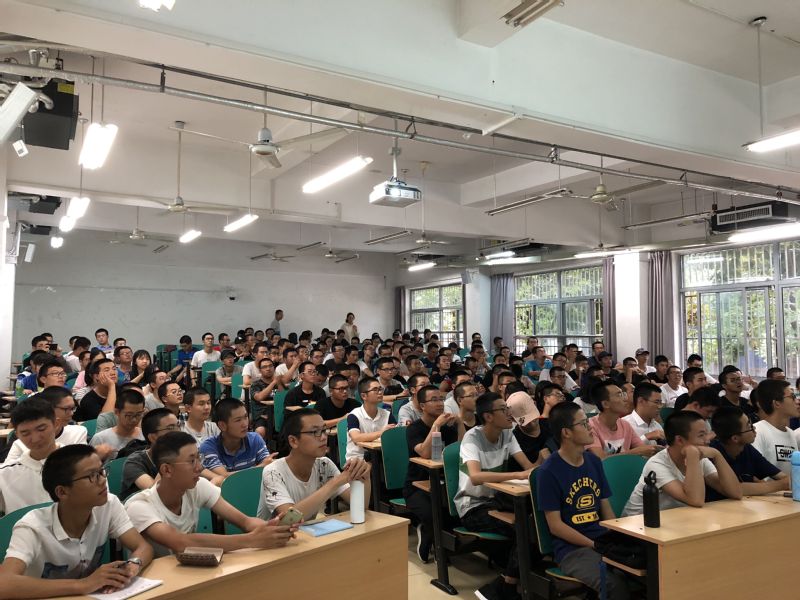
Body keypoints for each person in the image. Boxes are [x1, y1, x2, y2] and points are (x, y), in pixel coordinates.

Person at [0, 445, 153, 598]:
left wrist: (132, 565)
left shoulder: (109, 505)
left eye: (101, 471)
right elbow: (4, 584)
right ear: (62, 492)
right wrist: (83, 584)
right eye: (92, 476)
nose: (102, 480)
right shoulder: (32, 527)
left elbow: (143, 547)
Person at [125, 432, 296, 558]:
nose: (200, 467)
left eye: (198, 458)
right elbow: (181, 543)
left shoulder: (198, 486)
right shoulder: (139, 506)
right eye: (191, 461)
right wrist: (252, 540)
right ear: (167, 470)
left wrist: (272, 529)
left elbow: (245, 521)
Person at [536, 402, 628, 600]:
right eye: (584, 424)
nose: (590, 428)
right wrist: (594, 544)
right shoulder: (548, 471)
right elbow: (556, 526)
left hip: (601, 540)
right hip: (572, 550)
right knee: (614, 585)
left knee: (645, 571)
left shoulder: (594, 461)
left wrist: (615, 538)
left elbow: (605, 507)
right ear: (566, 433)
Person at [457, 392, 534, 600]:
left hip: (499, 501)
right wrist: (517, 475)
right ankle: (507, 586)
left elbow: (528, 467)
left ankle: (505, 583)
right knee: (526, 530)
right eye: (503, 409)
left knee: (537, 524)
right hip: (473, 507)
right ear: (488, 416)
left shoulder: (508, 434)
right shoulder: (472, 438)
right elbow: (475, 476)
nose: (509, 413)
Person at [257, 408, 371, 521]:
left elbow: (361, 506)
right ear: (293, 441)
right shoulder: (273, 472)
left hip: (307, 531)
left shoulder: (324, 465)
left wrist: (364, 476)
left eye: (324, 430)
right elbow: (290, 519)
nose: (323, 437)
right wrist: (335, 482)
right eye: (315, 432)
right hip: (279, 533)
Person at [623, 411, 741, 515]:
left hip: (674, 521)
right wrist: (692, 455)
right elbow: (696, 500)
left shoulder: (700, 459)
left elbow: (735, 492)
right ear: (679, 440)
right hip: (638, 526)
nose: (707, 440)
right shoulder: (656, 464)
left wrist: (717, 455)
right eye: (701, 435)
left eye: (706, 434)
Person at [403, 385, 464, 563]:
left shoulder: (447, 428)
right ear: (422, 406)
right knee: (433, 515)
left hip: (443, 483)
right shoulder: (414, 429)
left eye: (441, 399)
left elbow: (461, 450)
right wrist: (436, 425)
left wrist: (460, 424)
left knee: (453, 515)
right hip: (416, 486)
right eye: (434, 400)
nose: (440, 403)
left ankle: (434, 538)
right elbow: (424, 452)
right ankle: (433, 542)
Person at [708, 405, 788, 499]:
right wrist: (781, 485)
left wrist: (783, 482)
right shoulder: (711, 454)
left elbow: (782, 477)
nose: (754, 428)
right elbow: (735, 489)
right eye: (749, 426)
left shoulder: (747, 449)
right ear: (735, 438)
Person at [0, 399, 60, 514]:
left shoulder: (80, 464)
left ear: (56, 424)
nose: (35, 439)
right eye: (25, 433)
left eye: (41, 429)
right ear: (17, 434)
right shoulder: (5, 474)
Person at [4, 387, 88, 463]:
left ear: (56, 423)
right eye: (66, 409)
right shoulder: (19, 443)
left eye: (72, 408)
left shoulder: (78, 432)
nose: (35, 439)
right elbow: (9, 468)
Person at [200, 399, 277, 477]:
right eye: (238, 420)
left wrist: (265, 465)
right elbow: (224, 477)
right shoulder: (209, 447)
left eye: (245, 417)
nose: (245, 424)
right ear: (222, 425)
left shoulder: (255, 439)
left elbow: (267, 466)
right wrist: (259, 467)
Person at [119, 408, 180, 500]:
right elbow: (156, 493)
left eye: (178, 426)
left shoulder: (182, 455)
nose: (178, 432)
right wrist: (169, 457)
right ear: (153, 437)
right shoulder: (134, 462)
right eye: (170, 428)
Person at [587, 381, 656, 459]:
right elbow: (601, 459)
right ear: (605, 404)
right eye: (619, 395)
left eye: (623, 394)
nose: (625, 399)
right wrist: (633, 452)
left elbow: (642, 448)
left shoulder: (625, 424)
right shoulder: (590, 427)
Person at [752, 379, 799, 475]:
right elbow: (754, 474)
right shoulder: (757, 432)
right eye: (792, 397)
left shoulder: (791, 433)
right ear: (777, 403)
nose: (797, 401)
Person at [345, 377, 396, 461]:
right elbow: (356, 437)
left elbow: (395, 436)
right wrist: (382, 433)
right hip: (358, 458)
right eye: (375, 390)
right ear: (364, 396)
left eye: (380, 389)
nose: (380, 392)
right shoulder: (354, 415)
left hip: (382, 457)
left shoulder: (387, 414)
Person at [90, 389, 146, 461]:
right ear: (117, 412)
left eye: (138, 414)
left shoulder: (145, 435)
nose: (134, 420)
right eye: (129, 415)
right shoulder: (100, 439)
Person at [506, 391, 555, 471]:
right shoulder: (514, 441)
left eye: (533, 416)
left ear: (535, 404)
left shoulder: (552, 425)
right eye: (526, 421)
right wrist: (539, 461)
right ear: (513, 419)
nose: (532, 422)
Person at [74, 358, 117, 422]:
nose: (113, 373)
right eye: (107, 370)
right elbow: (105, 421)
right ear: (96, 376)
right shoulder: (88, 400)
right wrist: (112, 387)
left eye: (114, 369)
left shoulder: (123, 390)